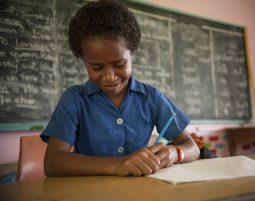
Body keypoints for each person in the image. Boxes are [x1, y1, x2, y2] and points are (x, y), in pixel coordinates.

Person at [41, 0, 199, 177]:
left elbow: (192, 147)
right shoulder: (75, 99)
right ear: (84, 61)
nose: (110, 76)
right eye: (97, 67)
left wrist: (174, 153)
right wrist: (118, 164)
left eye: (119, 64)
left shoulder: (151, 97)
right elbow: (52, 163)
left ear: (131, 54)